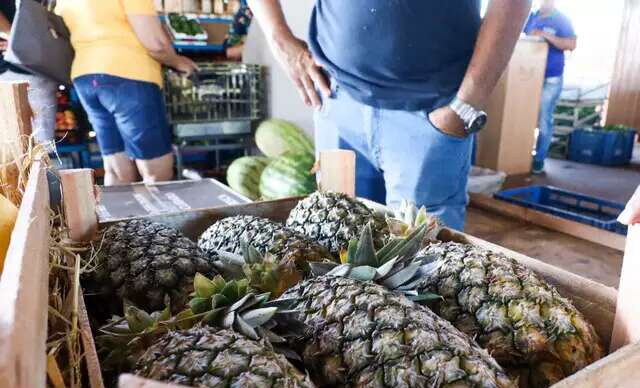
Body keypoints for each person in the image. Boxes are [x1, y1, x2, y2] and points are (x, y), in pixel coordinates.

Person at [248, 0, 531, 230]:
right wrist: (278, 37)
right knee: (336, 254)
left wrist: (464, 107)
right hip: (335, 102)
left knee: (424, 271)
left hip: (430, 115)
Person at [56, 0, 197, 185]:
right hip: (128, 75)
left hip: (86, 77)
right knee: (157, 174)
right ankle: (156, 214)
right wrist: (180, 62)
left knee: (116, 170)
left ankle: (118, 215)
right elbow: (155, 43)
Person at [524, 0, 577, 174]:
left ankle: (539, 159)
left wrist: (546, 35)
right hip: (528, 76)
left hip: (551, 77)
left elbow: (571, 44)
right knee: (523, 117)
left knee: (544, 119)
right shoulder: (531, 16)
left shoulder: (561, 20)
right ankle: (520, 156)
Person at [0, 1, 57, 145]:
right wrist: (15, 40)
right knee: (40, 145)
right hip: (31, 70)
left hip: (27, 70)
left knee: (13, 144)